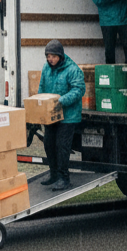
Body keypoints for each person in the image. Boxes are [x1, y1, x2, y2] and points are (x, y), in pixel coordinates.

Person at [38, 40, 85, 191]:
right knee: (48, 143)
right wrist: (40, 103)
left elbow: (79, 89)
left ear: (60, 56)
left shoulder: (72, 69)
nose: (50, 59)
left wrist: (62, 101)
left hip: (68, 116)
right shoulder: (46, 68)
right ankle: (53, 174)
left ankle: (64, 178)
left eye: (53, 56)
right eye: (48, 56)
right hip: (52, 115)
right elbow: (42, 87)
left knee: (62, 146)